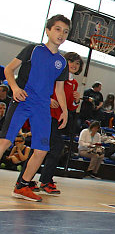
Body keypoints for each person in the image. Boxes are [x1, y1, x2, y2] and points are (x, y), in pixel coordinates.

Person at [0, 14, 69, 201]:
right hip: (23, 100)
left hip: (42, 107)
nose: (61, 34)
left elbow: (60, 89)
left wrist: (65, 110)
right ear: (47, 31)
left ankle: (22, 186)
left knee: (41, 150)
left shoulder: (62, 63)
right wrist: (14, 88)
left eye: (65, 31)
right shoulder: (33, 49)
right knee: (5, 141)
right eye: (57, 29)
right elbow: (8, 69)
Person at [38, 52, 83, 195]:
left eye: (77, 63)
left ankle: (27, 180)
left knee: (40, 149)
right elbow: (42, 89)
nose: (74, 65)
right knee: (56, 147)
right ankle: (45, 180)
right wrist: (48, 100)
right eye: (72, 61)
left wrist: (76, 100)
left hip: (58, 120)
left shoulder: (74, 83)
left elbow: (70, 106)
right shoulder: (55, 75)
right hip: (46, 115)